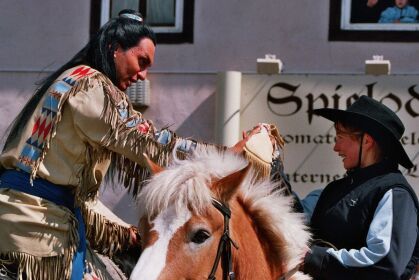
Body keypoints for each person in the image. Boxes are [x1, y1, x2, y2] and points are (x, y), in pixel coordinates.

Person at [0, 9, 286, 280]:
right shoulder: (90, 86)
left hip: (31, 218)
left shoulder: (72, 82)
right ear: (114, 48)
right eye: (142, 61)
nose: (143, 75)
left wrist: (127, 233)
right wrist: (222, 154)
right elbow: (143, 140)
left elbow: (74, 199)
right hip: (37, 233)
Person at [302, 96, 418, 279]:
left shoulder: (394, 193)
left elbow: (385, 262)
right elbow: (305, 236)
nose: (336, 147)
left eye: (340, 137)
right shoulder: (335, 189)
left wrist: (315, 258)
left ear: (367, 141)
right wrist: (276, 174)